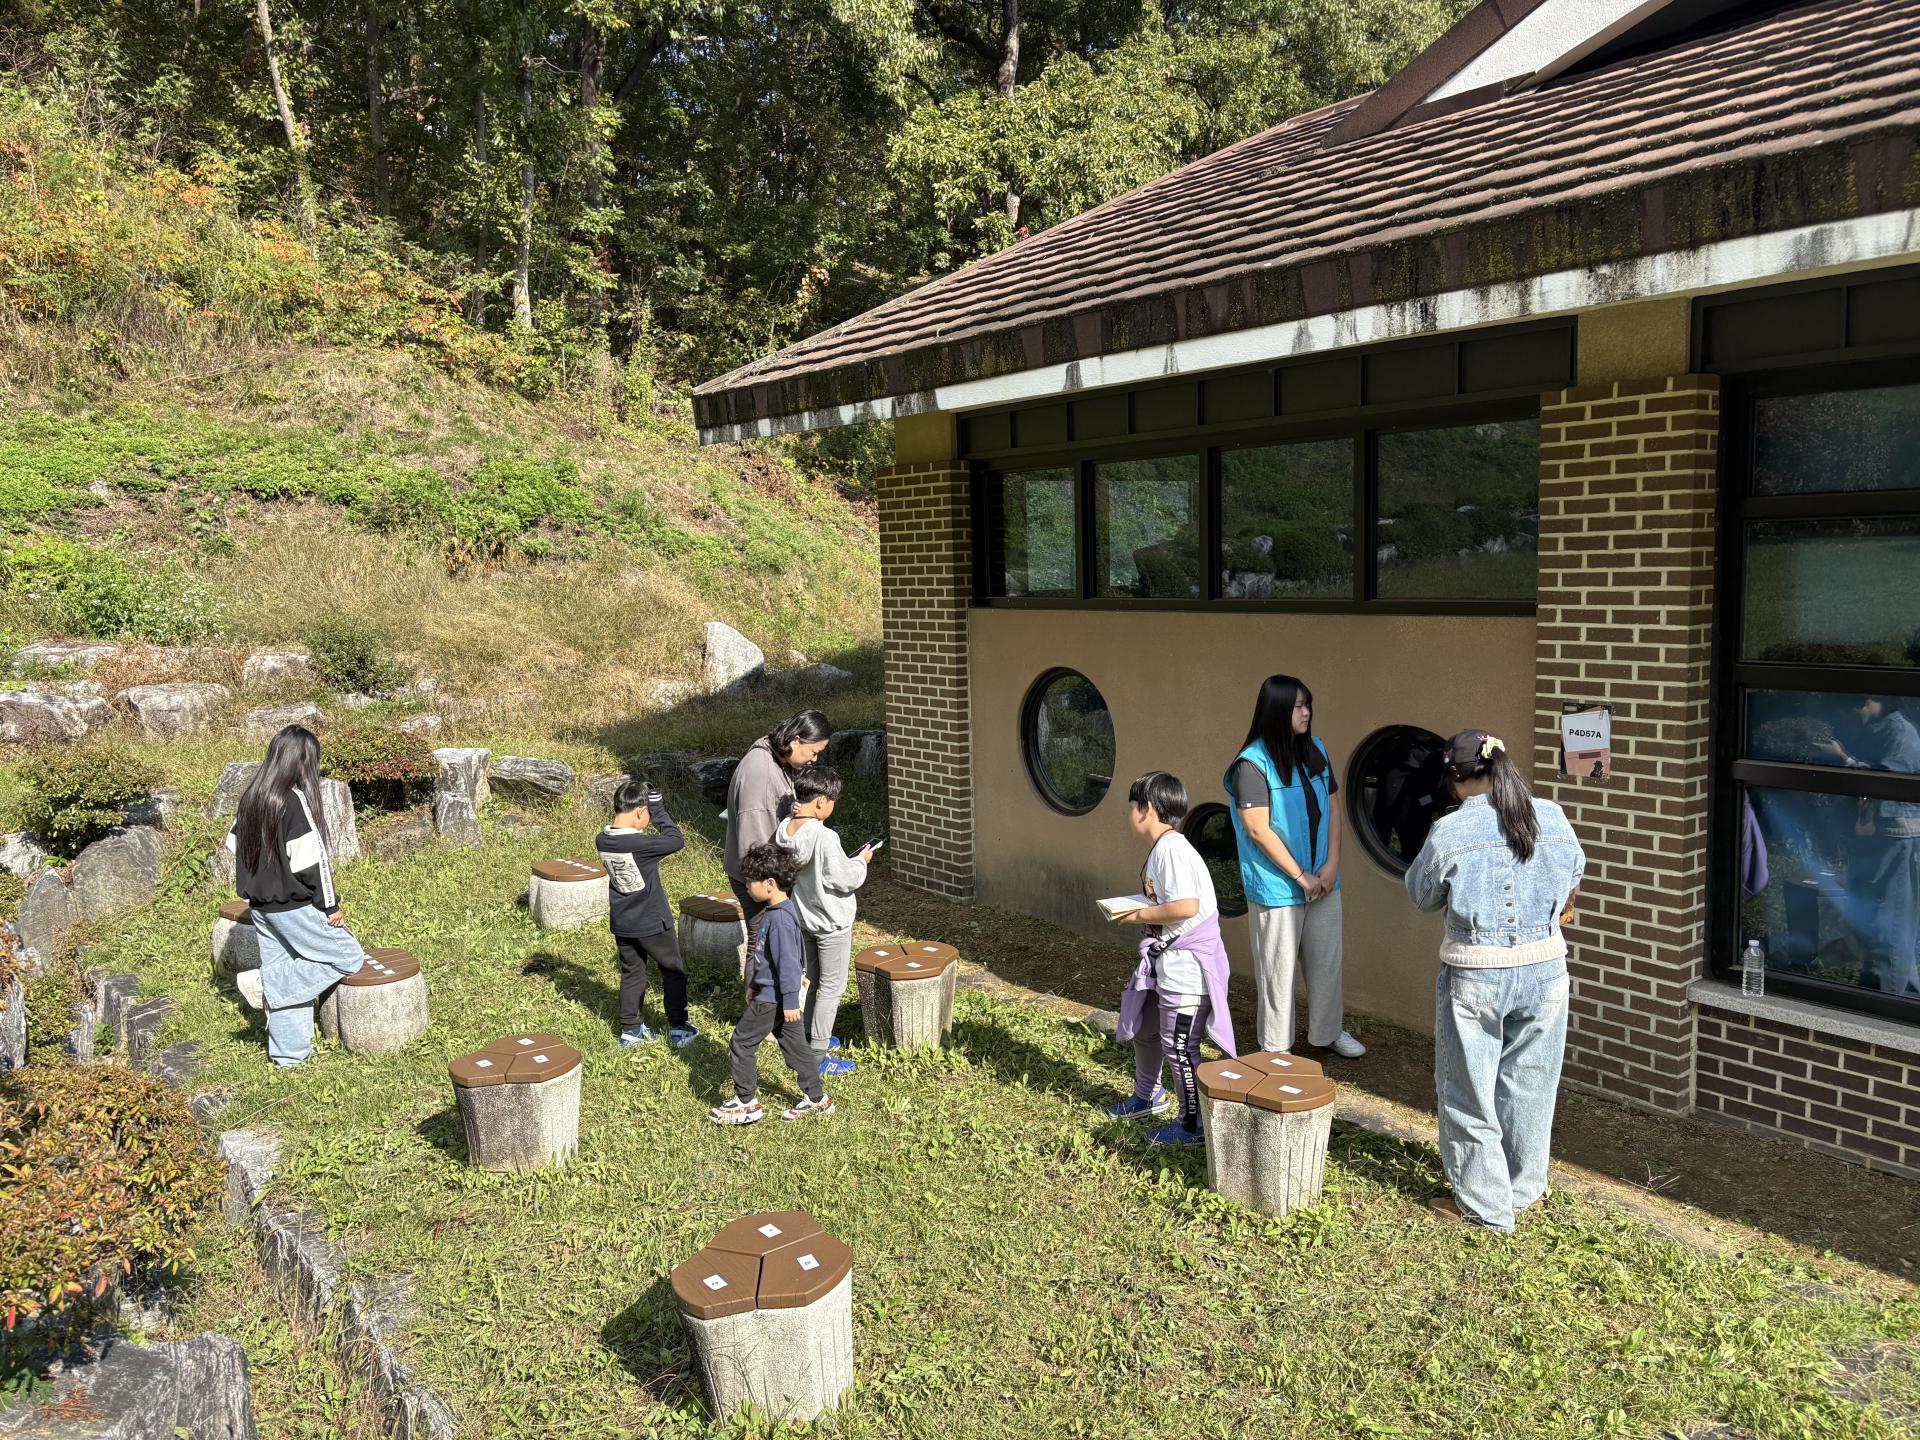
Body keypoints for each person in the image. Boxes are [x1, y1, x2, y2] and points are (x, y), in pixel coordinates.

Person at [1404, 730, 1586, 1232]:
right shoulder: (1550, 815)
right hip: (1547, 968)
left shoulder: (1450, 830)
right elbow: (1575, 874)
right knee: (1531, 1083)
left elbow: (1421, 895)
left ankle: (1486, 1207)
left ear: (1456, 776)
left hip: (1478, 973)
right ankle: (1525, 1192)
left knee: (1468, 1089)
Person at [1224, 675, 1366, 1058]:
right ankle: (1275, 1048)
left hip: (1322, 880)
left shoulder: (1315, 749)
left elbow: (1334, 806)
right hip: (1279, 888)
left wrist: (1332, 864)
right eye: (1299, 706)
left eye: (1308, 705)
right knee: (1278, 972)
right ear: (1276, 711)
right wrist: (1301, 876)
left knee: (1327, 964)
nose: (1307, 713)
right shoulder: (1251, 765)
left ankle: (1328, 1032)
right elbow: (1257, 829)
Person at [226, 724, 368, 1067]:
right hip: (295, 906)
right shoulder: (293, 800)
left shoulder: (253, 797)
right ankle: (265, 984)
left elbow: (233, 845)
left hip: (260, 908)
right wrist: (330, 906)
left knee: (291, 969)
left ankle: (289, 1058)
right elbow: (312, 860)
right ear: (302, 763)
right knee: (347, 956)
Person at [1108, 772, 1238, 1146]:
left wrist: (1136, 916)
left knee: (1179, 1045)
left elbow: (1185, 907)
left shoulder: (1171, 850)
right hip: (1166, 963)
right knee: (1147, 1029)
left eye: (1132, 806)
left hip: (1187, 969)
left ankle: (1192, 1125)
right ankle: (1148, 1095)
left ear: (1146, 809)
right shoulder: (1165, 848)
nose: (1130, 813)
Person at [710, 842, 833, 1125]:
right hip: (771, 993)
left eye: (751, 881)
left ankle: (745, 1103)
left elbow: (789, 965)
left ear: (769, 884)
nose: (747, 886)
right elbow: (770, 959)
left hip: (774, 998)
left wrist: (790, 1001)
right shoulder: (779, 912)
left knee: (741, 1043)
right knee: (796, 1048)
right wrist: (754, 982)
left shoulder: (779, 921)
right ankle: (817, 1099)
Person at [773, 764, 873, 1079]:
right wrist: (860, 862)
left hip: (804, 918)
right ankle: (817, 1055)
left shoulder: (784, 830)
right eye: (833, 803)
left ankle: (808, 1034)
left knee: (815, 980)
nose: (832, 808)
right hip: (831, 922)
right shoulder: (825, 837)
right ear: (820, 802)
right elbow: (843, 880)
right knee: (833, 987)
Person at [724, 710, 832, 968]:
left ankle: (777, 1004)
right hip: (761, 878)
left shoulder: (777, 758)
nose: (814, 760)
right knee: (764, 947)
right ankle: (760, 1007)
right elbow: (754, 845)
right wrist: (772, 888)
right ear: (795, 740)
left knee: (775, 945)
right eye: (813, 752)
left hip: (772, 874)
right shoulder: (760, 772)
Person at [596, 777, 695, 1049]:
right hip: (652, 921)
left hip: (623, 921)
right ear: (640, 812)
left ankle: (631, 1030)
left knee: (632, 973)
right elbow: (676, 840)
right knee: (672, 970)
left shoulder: (602, 839)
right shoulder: (641, 845)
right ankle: (678, 1027)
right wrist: (660, 810)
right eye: (647, 816)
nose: (648, 821)